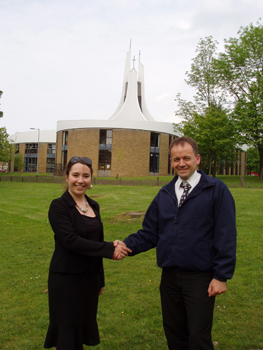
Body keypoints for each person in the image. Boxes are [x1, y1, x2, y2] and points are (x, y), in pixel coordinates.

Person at [117, 136, 237, 350]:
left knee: (198, 338)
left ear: (197, 159)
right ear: (171, 162)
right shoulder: (164, 193)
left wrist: (221, 275)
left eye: (186, 158)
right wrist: (125, 245)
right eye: (176, 159)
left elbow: (226, 234)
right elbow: (150, 232)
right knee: (175, 336)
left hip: (200, 278)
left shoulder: (216, 190)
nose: (181, 163)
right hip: (170, 278)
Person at [44, 156, 131, 350]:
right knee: (67, 335)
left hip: (89, 281)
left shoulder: (94, 206)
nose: (80, 180)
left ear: (91, 179)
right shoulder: (58, 206)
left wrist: (100, 279)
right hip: (66, 281)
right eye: (75, 175)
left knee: (80, 331)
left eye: (86, 176)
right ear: (66, 177)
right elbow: (71, 241)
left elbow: (95, 243)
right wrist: (110, 248)